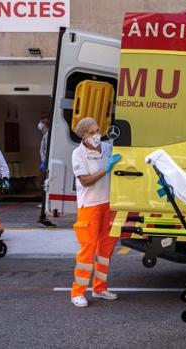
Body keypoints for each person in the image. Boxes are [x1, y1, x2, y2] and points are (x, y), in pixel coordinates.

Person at [70, 117, 122, 307]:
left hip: (108, 205)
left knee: (105, 249)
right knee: (87, 250)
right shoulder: (78, 154)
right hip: (89, 207)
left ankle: (100, 288)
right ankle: (77, 292)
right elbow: (84, 181)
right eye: (92, 133)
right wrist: (106, 169)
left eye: (97, 131)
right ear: (83, 135)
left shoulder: (107, 148)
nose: (96, 135)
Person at [36, 118, 56, 227]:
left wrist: (45, 162)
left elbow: (46, 150)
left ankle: (45, 210)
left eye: (41, 123)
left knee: (46, 185)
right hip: (45, 162)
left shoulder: (48, 135)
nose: (39, 125)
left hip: (47, 163)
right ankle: (44, 211)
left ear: (45, 124)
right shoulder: (46, 134)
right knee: (44, 185)